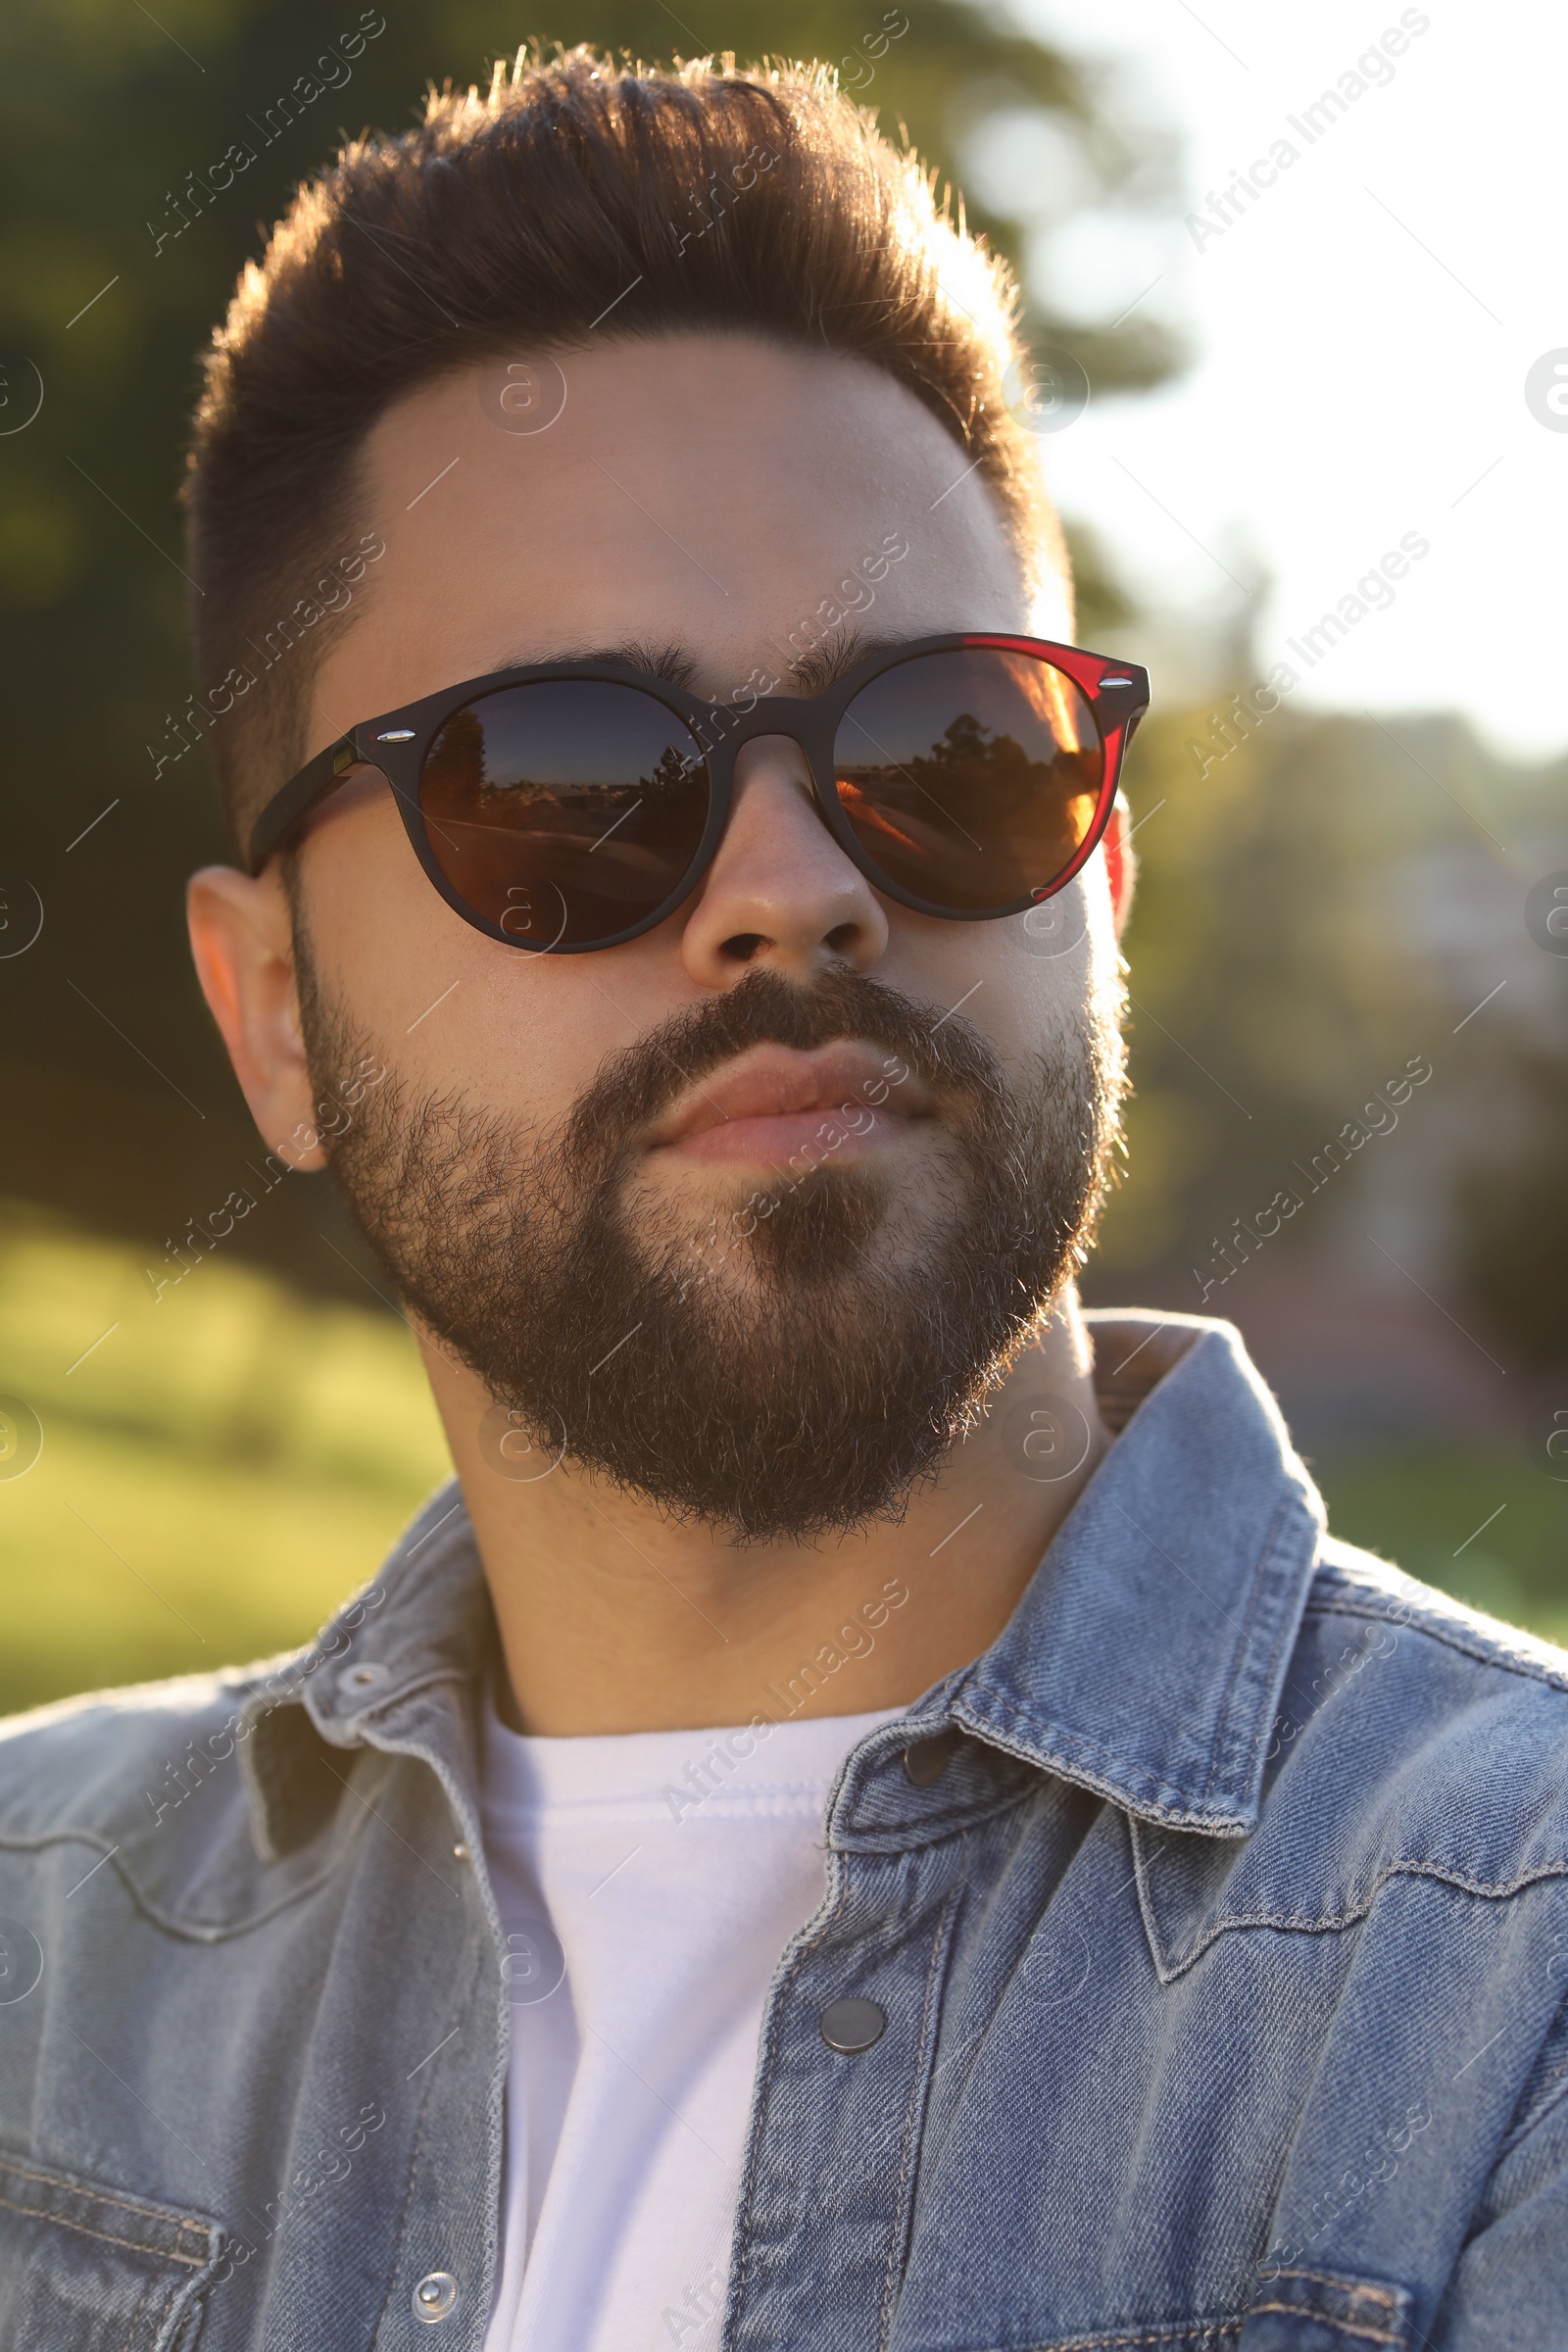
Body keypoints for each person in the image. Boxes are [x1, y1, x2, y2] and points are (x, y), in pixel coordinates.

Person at [2, 48, 1565, 2352]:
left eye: (944, 746)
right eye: (561, 782)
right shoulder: (41, 1953)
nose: (792, 891)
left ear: (1099, 874)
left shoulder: (1509, 1984)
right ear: (274, 1017)